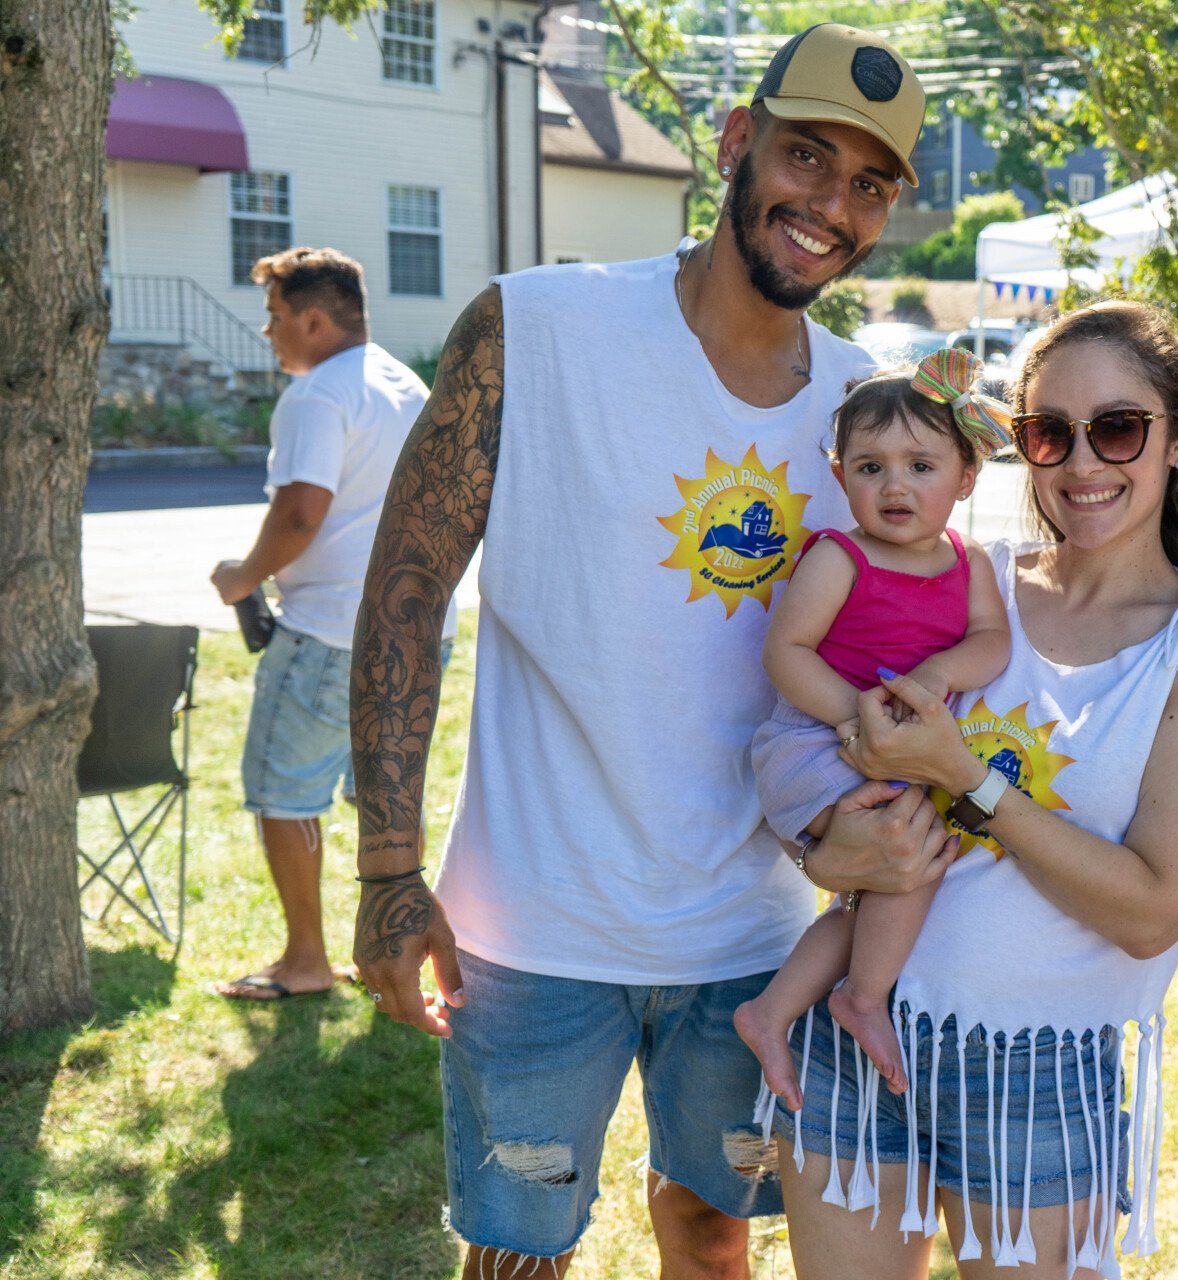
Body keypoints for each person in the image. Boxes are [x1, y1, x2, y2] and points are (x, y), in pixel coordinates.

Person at [346, 26, 946, 1280]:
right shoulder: (537, 326)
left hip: (752, 936)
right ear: (736, 144)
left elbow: (907, 655)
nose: (830, 205)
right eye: (805, 156)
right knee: (519, 1255)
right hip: (534, 928)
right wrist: (389, 872)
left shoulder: (869, 419)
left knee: (714, 1238)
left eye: (869, 184)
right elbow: (406, 595)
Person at [769, 301, 1178, 1280]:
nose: (1084, 463)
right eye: (1051, 433)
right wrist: (820, 847)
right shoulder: (967, 581)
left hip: (1035, 1069)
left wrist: (964, 779)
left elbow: (1149, 909)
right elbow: (821, 742)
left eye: (1119, 428)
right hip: (856, 1018)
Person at [736, 349, 1013, 1106]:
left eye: (921, 466)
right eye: (870, 467)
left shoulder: (969, 563)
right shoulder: (840, 558)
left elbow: (992, 642)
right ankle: (863, 997)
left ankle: (772, 1012)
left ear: (965, 478)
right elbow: (784, 652)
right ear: (840, 477)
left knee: (892, 873)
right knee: (910, 844)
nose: (895, 485)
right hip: (814, 741)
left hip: (892, 749)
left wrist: (940, 674)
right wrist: (857, 722)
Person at [210, 246, 453, 1002]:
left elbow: (300, 512)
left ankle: (306, 962)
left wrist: (239, 579)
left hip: (326, 634)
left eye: (276, 317)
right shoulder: (404, 384)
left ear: (314, 319)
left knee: (285, 796)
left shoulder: (318, 395)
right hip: (412, 631)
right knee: (385, 803)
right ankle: (396, 948)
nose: (269, 331)